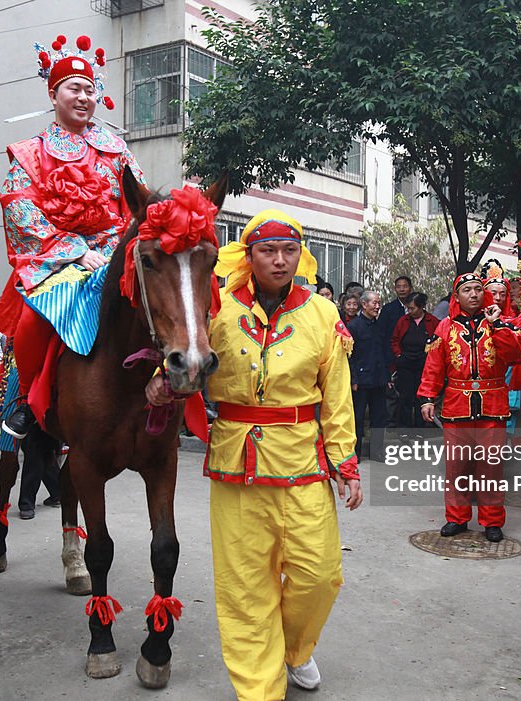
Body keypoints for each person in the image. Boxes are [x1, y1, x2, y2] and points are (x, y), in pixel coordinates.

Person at [146, 208, 360, 700]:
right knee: (245, 587)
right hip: (236, 466)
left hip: (303, 464)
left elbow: (337, 396)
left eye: (289, 250)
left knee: (320, 575)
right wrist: (160, 383)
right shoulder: (216, 309)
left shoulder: (323, 314)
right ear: (248, 255)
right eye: (268, 250)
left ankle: (295, 650)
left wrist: (345, 463)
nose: (279, 260)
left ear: (299, 254)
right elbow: (185, 360)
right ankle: (259, 690)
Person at [0, 33, 145, 442]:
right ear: (53, 93)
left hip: (115, 252)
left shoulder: (118, 151)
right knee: (31, 319)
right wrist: (73, 252)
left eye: (89, 90)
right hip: (57, 257)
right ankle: (25, 400)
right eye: (73, 88)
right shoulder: (33, 151)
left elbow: (138, 205)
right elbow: (19, 207)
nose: (83, 97)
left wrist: (117, 251)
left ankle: (168, 385)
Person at [418, 273, 521, 543]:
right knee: (457, 466)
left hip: (492, 403)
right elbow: (434, 365)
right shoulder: (445, 327)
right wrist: (428, 397)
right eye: (467, 290)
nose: (474, 294)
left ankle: (491, 520)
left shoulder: (499, 322)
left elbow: (514, 354)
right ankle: (457, 517)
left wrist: (497, 324)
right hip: (457, 405)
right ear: (457, 296)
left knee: (491, 467)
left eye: (478, 289)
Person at [348, 290, 389, 460]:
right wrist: (353, 379)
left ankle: (377, 451)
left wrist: (387, 378)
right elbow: (350, 356)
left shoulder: (380, 325)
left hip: (379, 379)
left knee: (379, 417)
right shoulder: (354, 326)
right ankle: (355, 452)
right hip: (361, 380)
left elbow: (383, 352)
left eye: (379, 303)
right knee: (357, 418)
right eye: (374, 303)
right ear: (364, 305)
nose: (377, 306)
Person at [390, 292, 439, 429]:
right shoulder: (403, 321)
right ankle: (404, 428)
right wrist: (399, 356)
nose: (409, 311)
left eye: (412, 308)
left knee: (420, 398)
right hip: (405, 363)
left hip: (424, 364)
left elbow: (438, 341)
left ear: (422, 307)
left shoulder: (432, 321)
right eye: (408, 308)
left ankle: (420, 427)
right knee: (405, 397)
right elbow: (394, 340)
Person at [378, 276, 413, 426]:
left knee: (408, 393)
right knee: (391, 393)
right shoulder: (388, 309)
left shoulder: (416, 306)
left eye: (405, 286)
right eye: (399, 286)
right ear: (395, 289)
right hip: (392, 356)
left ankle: (408, 424)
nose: (402, 289)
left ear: (410, 288)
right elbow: (382, 334)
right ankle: (391, 423)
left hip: (411, 357)